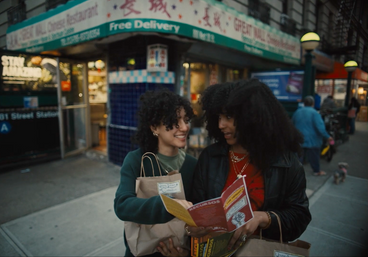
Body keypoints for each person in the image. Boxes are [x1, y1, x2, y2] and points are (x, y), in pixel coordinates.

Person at [185, 79, 311, 250]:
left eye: (228, 117)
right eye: (219, 117)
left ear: (253, 117)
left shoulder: (286, 163)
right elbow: (196, 208)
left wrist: (264, 218)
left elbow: (299, 217)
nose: (221, 124)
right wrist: (193, 228)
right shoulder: (210, 157)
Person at [114, 89, 197, 257]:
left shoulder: (192, 164)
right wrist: (169, 205)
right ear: (154, 127)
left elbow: (199, 215)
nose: (184, 127)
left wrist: (186, 254)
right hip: (142, 251)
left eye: (186, 120)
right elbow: (122, 205)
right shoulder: (137, 160)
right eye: (175, 121)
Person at [292, 96, 333, 176]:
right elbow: (320, 128)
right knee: (314, 156)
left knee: (299, 157)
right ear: (313, 104)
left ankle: (295, 172)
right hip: (312, 140)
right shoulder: (315, 113)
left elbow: (292, 124)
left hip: (299, 139)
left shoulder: (297, 112)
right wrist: (327, 136)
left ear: (304, 103)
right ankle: (316, 171)